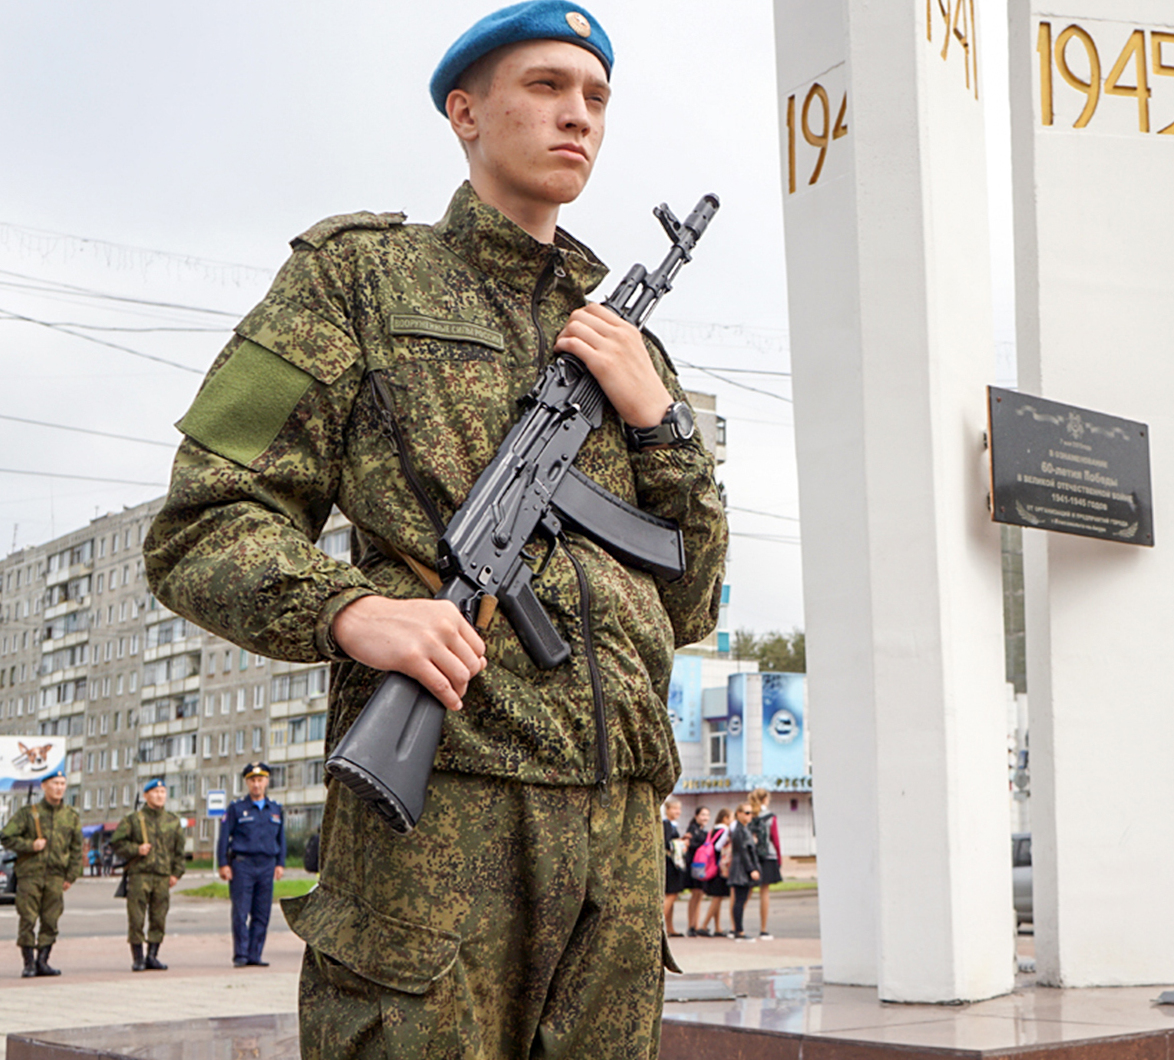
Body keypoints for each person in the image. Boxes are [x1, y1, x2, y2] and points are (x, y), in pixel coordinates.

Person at [141, 2, 728, 1055]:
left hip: (620, 840)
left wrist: (662, 421)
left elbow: (686, 600)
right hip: (441, 815)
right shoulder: (355, 277)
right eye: (545, 86)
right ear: (464, 110)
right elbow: (202, 522)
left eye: (595, 96)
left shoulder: (623, 340)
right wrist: (352, 610)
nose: (578, 116)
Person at [0, 770, 81, 978]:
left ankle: (43, 961)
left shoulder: (71, 816)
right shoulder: (29, 813)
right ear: (44, 786)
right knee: (27, 919)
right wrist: (30, 845)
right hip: (30, 875)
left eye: (63, 784)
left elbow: (76, 849)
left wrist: (70, 876)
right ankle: (28, 963)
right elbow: (6, 837)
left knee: (51, 920)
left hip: (55, 877)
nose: (59, 787)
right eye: (55, 783)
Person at [110, 778, 186, 972]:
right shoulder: (133, 820)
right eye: (155, 792)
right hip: (139, 875)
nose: (159, 796)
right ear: (146, 795)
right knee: (136, 918)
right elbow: (117, 843)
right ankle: (138, 958)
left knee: (158, 917)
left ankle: (153, 956)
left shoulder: (172, 821)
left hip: (162, 877)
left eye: (162, 792)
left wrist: (176, 874)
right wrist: (136, 849)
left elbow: (179, 851)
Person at [218, 763, 286, 968]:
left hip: (266, 865)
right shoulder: (237, 808)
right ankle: (241, 955)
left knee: (262, 912)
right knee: (241, 911)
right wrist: (223, 864)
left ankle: (255, 954)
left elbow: (281, 839)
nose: (256, 785)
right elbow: (223, 838)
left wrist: (280, 864)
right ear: (247, 783)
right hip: (242, 865)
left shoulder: (275, 809)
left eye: (260, 780)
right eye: (252, 781)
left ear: (266, 782)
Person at [724, 803, 763, 942]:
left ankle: (738, 929)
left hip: (741, 868)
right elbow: (744, 852)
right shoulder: (739, 830)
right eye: (747, 813)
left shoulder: (744, 829)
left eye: (751, 813)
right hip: (740, 869)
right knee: (739, 900)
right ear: (738, 813)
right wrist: (751, 869)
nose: (749, 816)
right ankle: (738, 931)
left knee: (740, 900)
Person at [749, 787, 782, 939]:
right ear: (765, 799)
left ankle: (736, 928)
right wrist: (779, 858)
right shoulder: (770, 817)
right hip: (768, 856)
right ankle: (763, 929)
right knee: (764, 892)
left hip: (750, 856)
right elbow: (774, 838)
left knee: (745, 892)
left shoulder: (749, 814)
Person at [697, 809, 734, 936]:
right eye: (731, 817)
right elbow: (718, 846)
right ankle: (704, 925)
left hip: (709, 866)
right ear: (725, 818)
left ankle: (717, 927)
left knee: (717, 897)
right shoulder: (724, 830)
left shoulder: (712, 830)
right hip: (718, 867)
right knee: (717, 897)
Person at [662, 798, 689, 937]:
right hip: (669, 864)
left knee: (672, 895)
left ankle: (669, 927)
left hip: (673, 863)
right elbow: (666, 843)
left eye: (679, 809)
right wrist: (681, 843)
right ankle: (659, 925)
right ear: (667, 810)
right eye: (674, 808)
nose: (677, 811)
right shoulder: (666, 824)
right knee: (670, 895)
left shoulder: (673, 825)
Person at [682, 806, 711, 936]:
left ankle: (696, 924)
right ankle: (691, 925)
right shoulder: (692, 830)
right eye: (702, 815)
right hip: (694, 866)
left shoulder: (704, 831)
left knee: (699, 895)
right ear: (696, 816)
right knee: (695, 895)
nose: (705, 818)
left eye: (707, 815)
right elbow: (690, 845)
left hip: (701, 866)